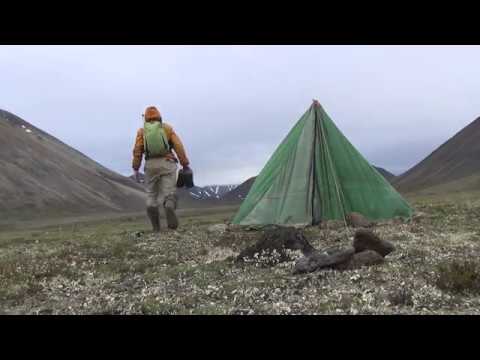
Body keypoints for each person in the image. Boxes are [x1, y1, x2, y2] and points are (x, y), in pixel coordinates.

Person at [132, 106, 191, 232]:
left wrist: (136, 168)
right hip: (167, 162)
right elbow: (178, 146)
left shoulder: (142, 132)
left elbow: (137, 151)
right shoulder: (167, 128)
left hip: (150, 166)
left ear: (146, 119)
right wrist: (185, 164)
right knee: (169, 192)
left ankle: (156, 227)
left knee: (151, 195)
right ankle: (169, 205)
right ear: (159, 117)